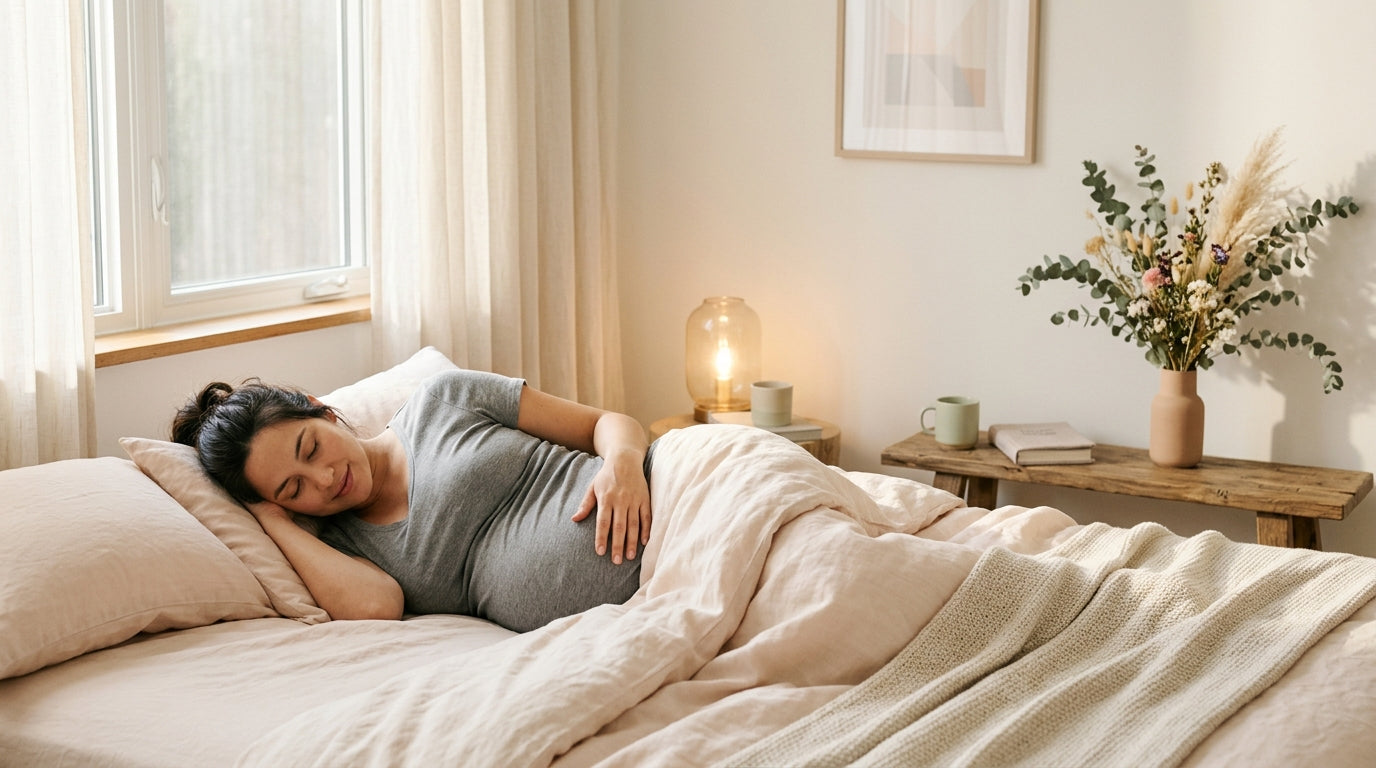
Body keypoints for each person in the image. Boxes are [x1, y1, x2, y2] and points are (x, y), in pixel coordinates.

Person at [172, 369, 653, 633]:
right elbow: (379, 606)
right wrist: (272, 521)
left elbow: (603, 423)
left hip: (670, 502)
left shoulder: (444, 400)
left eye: (312, 448)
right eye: (294, 488)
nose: (324, 479)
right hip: (650, 598)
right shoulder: (340, 544)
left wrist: (624, 463)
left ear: (321, 411)